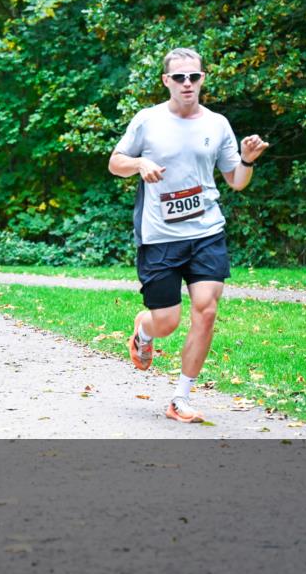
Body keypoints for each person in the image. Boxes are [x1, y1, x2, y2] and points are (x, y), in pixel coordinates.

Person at [108, 47, 269, 423]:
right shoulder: (148, 120)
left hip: (207, 231)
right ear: (166, 81)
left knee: (207, 310)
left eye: (193, 77)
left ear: (202, 80)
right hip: (160, 236)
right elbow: (115, 163)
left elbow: (236, 181)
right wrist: (140, 163)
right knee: (166, 322)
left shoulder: (216, 124)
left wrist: (246, 160)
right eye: (179, 77)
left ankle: (180, 397)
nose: (186, 83)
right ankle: (144, 331)